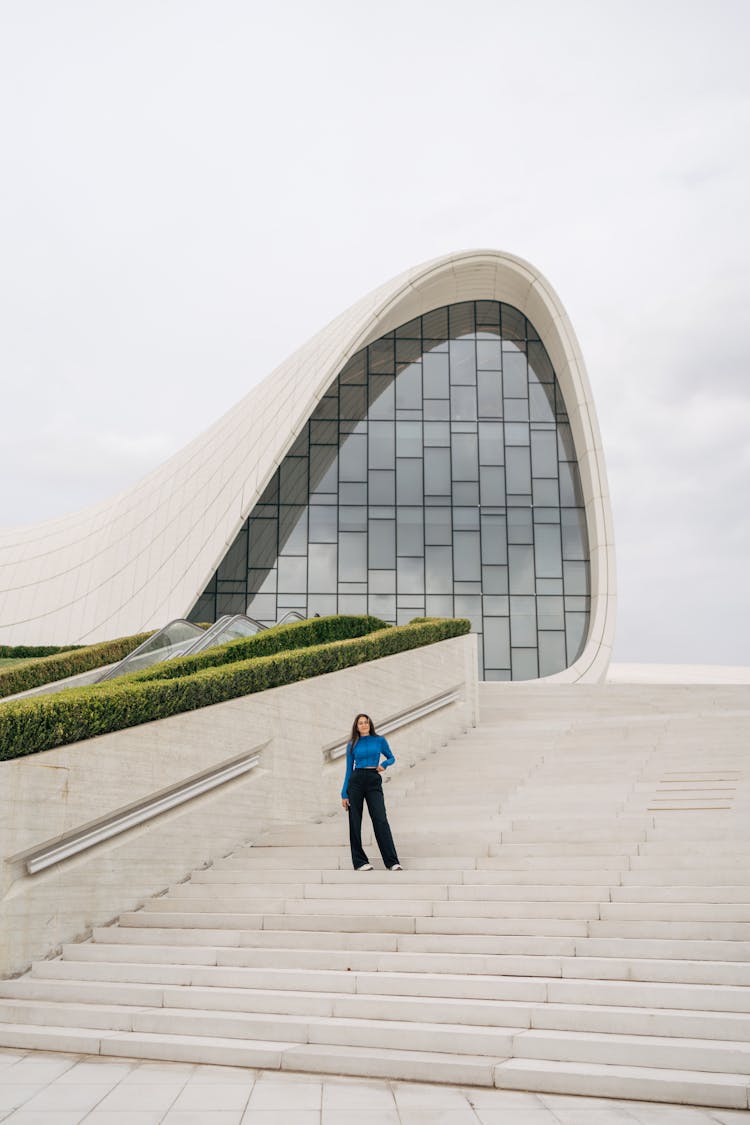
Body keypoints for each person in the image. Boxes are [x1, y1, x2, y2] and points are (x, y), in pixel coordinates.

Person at [341, 713, 402, 871]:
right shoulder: (352, 743)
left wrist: (384, 764)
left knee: (380, 818)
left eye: (366, 722)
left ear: (370, 724)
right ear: (356, 726)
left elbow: (391, 757)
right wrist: (344, 793)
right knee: (355, 820)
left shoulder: (379, 740)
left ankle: (392, 862)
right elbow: (348, 769)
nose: (363, 725)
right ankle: (360, 862)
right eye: (360, 723)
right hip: (356, 780)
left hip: (373, 778)